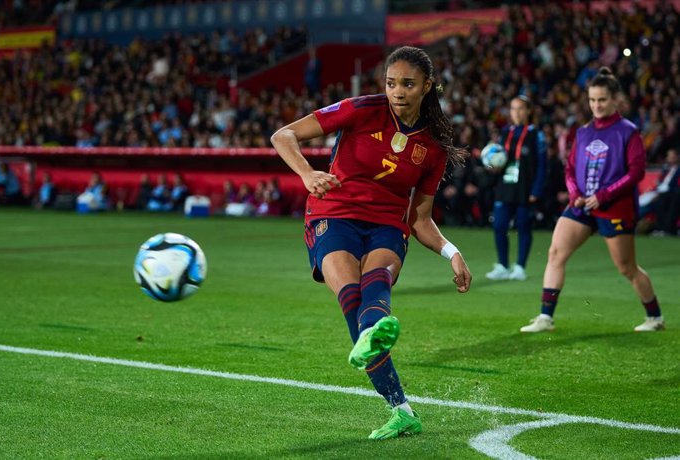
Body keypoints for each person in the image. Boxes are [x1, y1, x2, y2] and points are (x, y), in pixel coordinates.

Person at [271, 46, 472, 440]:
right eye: (391, 83)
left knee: (374, 282)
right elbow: (284, 135)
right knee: (352, 297)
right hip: (334, 214)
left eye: (408, 84)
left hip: (387, 225)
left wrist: (452, 252)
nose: (397, 91)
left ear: (427, 87)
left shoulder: (431, 148)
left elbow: (420, 218)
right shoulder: (360, 109)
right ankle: (401, 406)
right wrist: (308, 173)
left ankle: (391, 382)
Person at [520, 67, 665, 333]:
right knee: (555, 253)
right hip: (582, 205)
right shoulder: (583, 132)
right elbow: (570, 168)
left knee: (627, 268)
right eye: (592, 100)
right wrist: (575, 194)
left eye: (602, 100)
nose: (596, 105)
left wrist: (603, 196)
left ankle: (654, 317)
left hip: (614, 206)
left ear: (615, 100)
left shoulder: (628, 131)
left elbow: (636, 172)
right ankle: (545, 317)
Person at [485, 95, 546, 281]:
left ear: (528, 111)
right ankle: (503, 265)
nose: (516, 112)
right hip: (505, 185)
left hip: (525, 188)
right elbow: (499, 159)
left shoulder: (536, 135)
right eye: (513, 108)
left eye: (520, 108)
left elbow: (543, 165)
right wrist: (492, 164)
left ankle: (520, 267)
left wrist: (536, 190)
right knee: (499, 225)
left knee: (523, 226)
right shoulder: (505, 133)